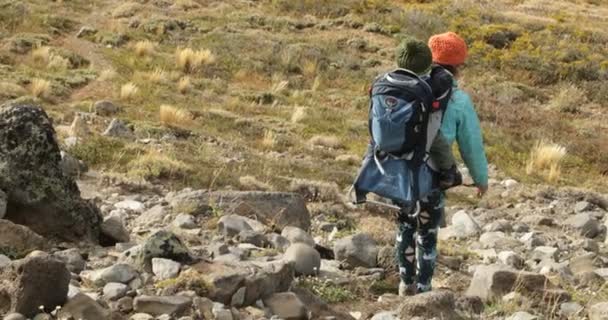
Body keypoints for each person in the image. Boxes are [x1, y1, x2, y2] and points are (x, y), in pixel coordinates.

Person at [396, 32, 489, 296]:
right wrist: (480, 178)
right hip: (433, 174)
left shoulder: (408, 86)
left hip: (401, 171)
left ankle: (405, 283)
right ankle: (424, 289)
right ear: (457, 66)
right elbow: (471, 144)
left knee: (405, 225)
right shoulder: (459, 100)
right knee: (427, 231)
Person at [393, 38, 461, 189]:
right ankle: (448, 172)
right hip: (416, 132)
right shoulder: (432, 83)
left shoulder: (389, 80)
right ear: (429, 63)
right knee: (438, 141)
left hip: (388, 129)